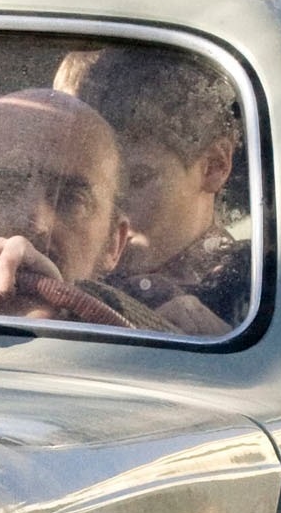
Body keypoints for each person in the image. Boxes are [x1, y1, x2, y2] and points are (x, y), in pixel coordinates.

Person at [0, 87, 184, 331]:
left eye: (72, 200)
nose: (37, 224)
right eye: (0, 189)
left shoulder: (161, 343)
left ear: (114, 244)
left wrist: (76, 311)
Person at [61, 45, 245, 328]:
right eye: (88, 187)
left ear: (214, 165)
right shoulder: (66, 267)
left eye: (137, 180)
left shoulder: (256, 290)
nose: (111, 212)